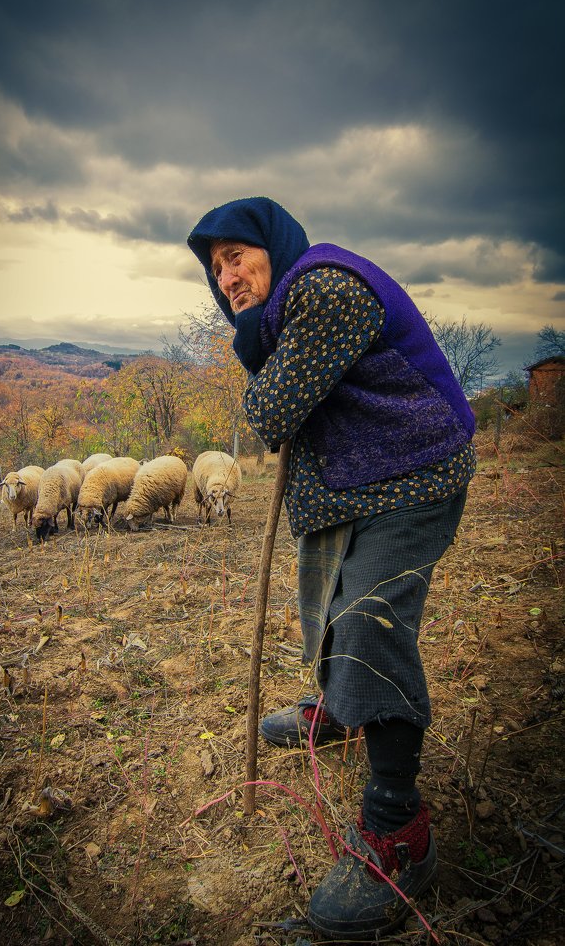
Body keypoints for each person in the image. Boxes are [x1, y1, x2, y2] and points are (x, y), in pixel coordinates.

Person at [187, 197, 475, 941]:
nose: (227, 279)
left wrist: (259, 361)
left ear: (275, 247)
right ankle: (341, 712)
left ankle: (398, 828)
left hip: (413, 473)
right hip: (354, 483)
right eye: (216, 270)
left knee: (365, 620)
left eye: (237, 257)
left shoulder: (322, 290)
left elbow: (271, 413)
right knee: (323, 604)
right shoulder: (283, 315)